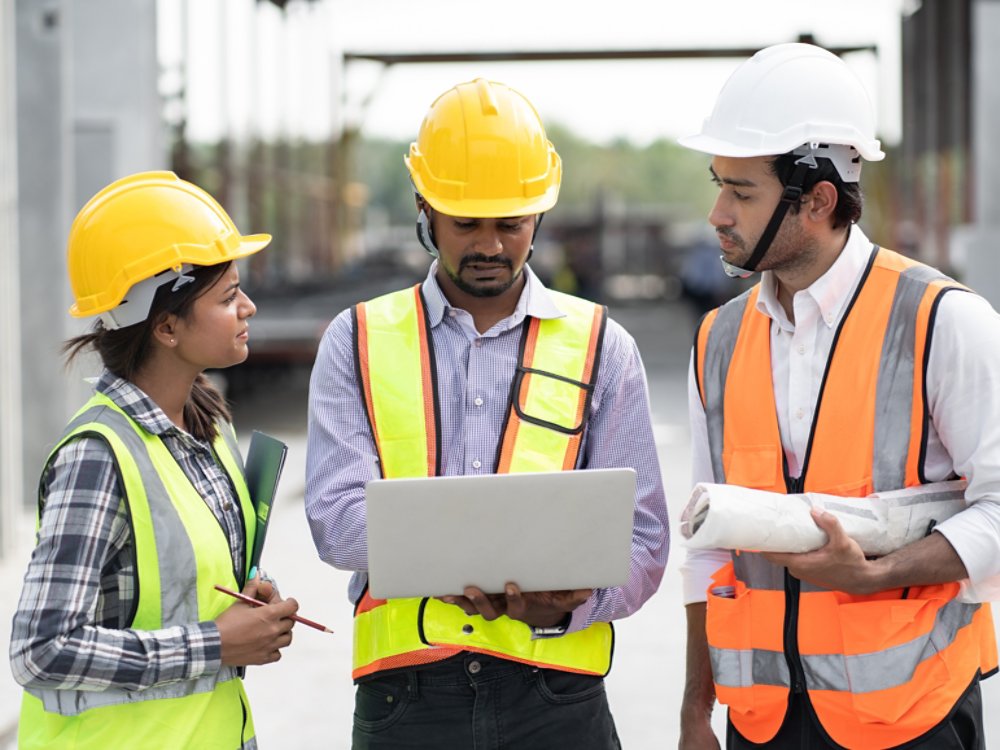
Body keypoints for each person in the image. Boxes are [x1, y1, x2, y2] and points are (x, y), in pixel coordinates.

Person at [305, 78, 669, 749]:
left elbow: (643, 542)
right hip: (407, 701)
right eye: (465, 222)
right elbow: (335, 518)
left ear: (539, 217)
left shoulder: (602, 348)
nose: (491, 246)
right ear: (424, 208)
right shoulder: (355, 340)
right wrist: (482, 558)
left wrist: (564, 607)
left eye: (511, 224)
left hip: (557, 697)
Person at [676, 42, 1000, 749]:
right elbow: (708, 546)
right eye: (719, 184)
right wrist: (695, 714)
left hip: (913, 719)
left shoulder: (944, 321)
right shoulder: (718, 340)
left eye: (742, 191)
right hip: (761, 727)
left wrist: (878, 570)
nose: (717, 213)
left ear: (818, 199)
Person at [9, 171, 300, 750]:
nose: (248, 307)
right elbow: (40, 650)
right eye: (226, 296)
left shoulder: (207, 423)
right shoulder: (98, 457)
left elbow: (183, 579)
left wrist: (254, 595)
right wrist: (216, 644)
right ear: (166, 326)